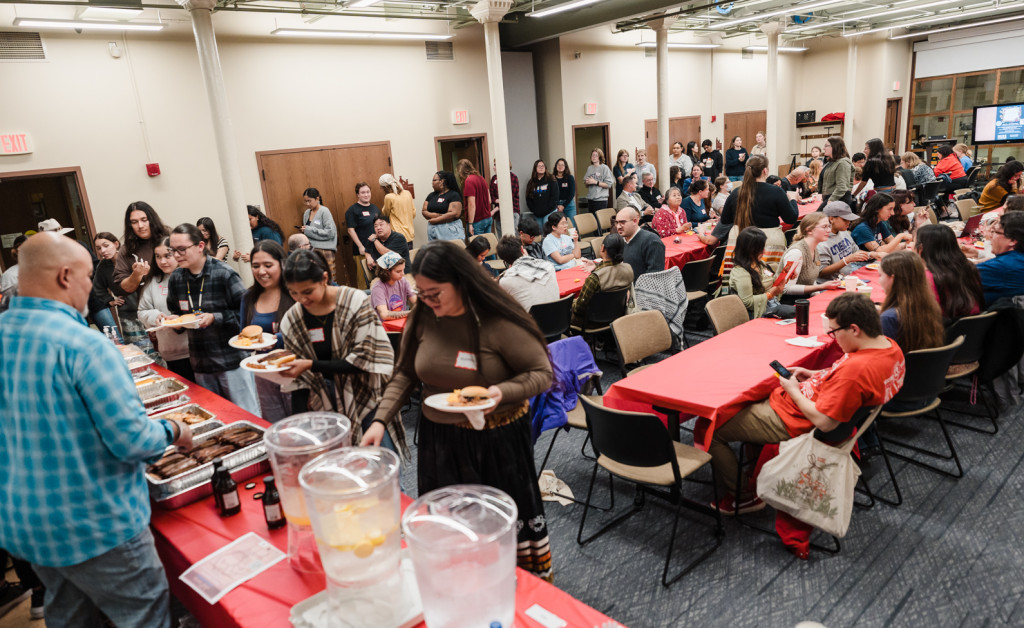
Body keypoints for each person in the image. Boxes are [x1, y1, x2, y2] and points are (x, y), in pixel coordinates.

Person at [0, 231, 193, 626]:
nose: (93, 288)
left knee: (71, 616)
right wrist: (173, 429)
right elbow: (132, 441)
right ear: (65, 276)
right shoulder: (84, 346)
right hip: (95, 525)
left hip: (26, 525)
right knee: (144, 615)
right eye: (89, 277)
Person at [361, 241, 554, 579]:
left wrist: (500, 391)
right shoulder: (423, 315)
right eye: (421, 292)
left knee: (503, 526)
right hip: (441, 439)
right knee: (449, 527)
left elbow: (542, 374)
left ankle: (517, 593)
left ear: (462, 283)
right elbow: (405, 373)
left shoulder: (496, 318)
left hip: (497, 438)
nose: (428, 301)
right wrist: (380, 421)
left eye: (435, 293)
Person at [708, 293, 905, 559]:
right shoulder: (889, 348)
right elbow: (845, 378)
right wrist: (817, 374)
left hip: (794, 419)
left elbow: (824, 421)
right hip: (807, 406)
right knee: (747, 393)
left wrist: (793, 389)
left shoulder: (856, 372)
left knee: (711, 427)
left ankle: (744, 496)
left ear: (855, 329)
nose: (833, 339)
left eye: (834, 332)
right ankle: (754, 469)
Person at [280, 249, 404, 453]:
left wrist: (311, 365)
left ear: (324, 278)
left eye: (308, 291)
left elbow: (365, 360)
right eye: (294, 293)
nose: (302, 299)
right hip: (326, 398)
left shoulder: (354, 301)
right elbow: (299, 384)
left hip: (367, 394)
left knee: (380, 461)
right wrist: (300, 430)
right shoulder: (293, 319)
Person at [166, 223, 261, 415]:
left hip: (230, 362)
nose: (176, 255)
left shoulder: (224, 273)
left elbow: (248, 314)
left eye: (182, 249)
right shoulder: (176, 278)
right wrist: (173, 322)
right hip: (201, 363)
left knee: (246, 416)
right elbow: (177, 312)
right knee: (217, 417)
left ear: (200, 246)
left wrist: (215, 318)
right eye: (172, 250)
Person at [239, 240, 295, 422]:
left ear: (282, 264)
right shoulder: (248, 297)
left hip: (294, 369)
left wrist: (274, 339)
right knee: (275, 425)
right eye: (255, 266)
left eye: (268, 265)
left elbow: (308, 331)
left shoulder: (296, 293)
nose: (261, 271)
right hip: (264, 373)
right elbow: (243, 335)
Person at [112, 202, 171, 358]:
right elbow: (122, 288)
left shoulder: (170, 238)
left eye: (144, 219)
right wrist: (136, 275)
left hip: (176, 309)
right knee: (161, 358)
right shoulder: (127, 250)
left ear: (152, 219)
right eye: (134, 222)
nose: (140, 225)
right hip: (148, 315)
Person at [721, 155, 798, 268]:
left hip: (740, 238)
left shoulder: (737, 192)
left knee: (741, 275)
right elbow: (791, 218)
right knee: (768, 278)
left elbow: (725, 219)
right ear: (765, 170)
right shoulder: (776, 191)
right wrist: (793, 200)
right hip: (768, 242)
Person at [138, 236, 193, 381]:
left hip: (196, 349)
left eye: (167, 256)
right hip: (170, 351)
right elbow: (142, 311)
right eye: (158, 256)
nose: (162, 261)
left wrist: (182, 319)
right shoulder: (154, 281)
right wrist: (155, 316)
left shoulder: (191, 276)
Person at [877, 251, 945, 353]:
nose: (879, 280)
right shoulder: (929, 304)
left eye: (880, 275)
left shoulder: (889, 318)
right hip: (927, 365)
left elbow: (881, 356)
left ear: (892, 279)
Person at [915, 224, 983, 319]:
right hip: (972, 327)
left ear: (921, 249)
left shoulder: (926, 278)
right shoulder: (969, 268)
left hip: (943, 329)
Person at [729, 227, 794, 319]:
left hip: (771, 305)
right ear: (749, 250)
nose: (764, 252)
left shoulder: (760, 264)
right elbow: (747, 303)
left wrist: (785, 277)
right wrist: (770, 294)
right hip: (757, 314)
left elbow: (773, 283)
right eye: (760, 249)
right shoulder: (741, 273)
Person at [961, 212, 1024, 305]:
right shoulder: (1016, 258)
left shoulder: (1001, 267)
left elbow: (956, 277)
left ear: (1012, 241)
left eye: (994, 232)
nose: (990, 236)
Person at [571, 232, 633, 327]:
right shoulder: (628, 269)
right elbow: (611, 271)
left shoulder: (595, 278)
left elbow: (579, 309)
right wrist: (596, 266)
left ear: (603, 248)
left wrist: (572, 302)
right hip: (617, 317)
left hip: (592, 321)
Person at [775, 213, 841, 299]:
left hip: (805, 298)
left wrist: (818, 297)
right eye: (824, 227)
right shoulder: (796, 253)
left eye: (829, 226)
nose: (829, 230)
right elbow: (785, 288)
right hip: (789, 302)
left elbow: (811, 279)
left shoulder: (814, 248)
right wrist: (821, 287)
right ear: (809, 230)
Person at [496, 235, 559, 312]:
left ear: (504, 260)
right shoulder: (549, 266)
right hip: (559, 318)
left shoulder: (506, 281)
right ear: (522, 249)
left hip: (531, 322)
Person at [817, 201, 876, 280]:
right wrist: (847, 260)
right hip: (829, 284)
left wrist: (874, 254)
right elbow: (820, 272)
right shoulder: (820, 241)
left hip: (848, 275)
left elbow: (856, 251)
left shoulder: (844, 231)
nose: (849, 222)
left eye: (850, 219)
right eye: (845, 219)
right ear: (831, 219)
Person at [89, 232, 126, 342]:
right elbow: (97, 287)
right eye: (99, 248)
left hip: (145, 308)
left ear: (116, 244)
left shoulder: (129, 259)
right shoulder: (103, 266)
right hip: (126, 312)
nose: (102, 251)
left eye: (106, 246)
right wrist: (110, 301)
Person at [345, 182, 383, 281]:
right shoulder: (352, 210)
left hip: (376, 249)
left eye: (368, 192)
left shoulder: (375, 208)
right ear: (358, 194)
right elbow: (350, 230)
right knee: (364, 280)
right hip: (361, 251)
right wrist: (360, 246)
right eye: (363, 192)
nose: (366, 195)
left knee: (379, 278)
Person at [300, 187, 338, 283]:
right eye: (305, 201)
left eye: (309, 201)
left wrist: (309, 230)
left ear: (317, 199)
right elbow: (308, 231)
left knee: (329, 278)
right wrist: (304, 231)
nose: (307, 204)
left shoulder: (324, 211)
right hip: (312, 251)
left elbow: (330, 232)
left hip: (325, 251)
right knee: (317, 280)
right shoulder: (306, 213)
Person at [616, 207, 665, 279]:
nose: (618, 227)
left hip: (641, 289)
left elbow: (654, 277)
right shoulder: (619, 241)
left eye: (622, 222)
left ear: (635, 221)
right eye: (617, 223)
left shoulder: (652, 241)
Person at [371, 251, 416, 321]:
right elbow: (384, 315)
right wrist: (411, 313)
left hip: (400, 322)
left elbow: (416, 300)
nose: (403, 274)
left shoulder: (403, 281)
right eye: (398, 271)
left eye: (403, 270)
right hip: (385, 328)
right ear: (387, 271)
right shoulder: (378, 288)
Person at [422, 171, 465, 241]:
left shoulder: (453, 195)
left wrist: (436, 220)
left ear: (442, 181)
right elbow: (424, 211)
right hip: (433, 230)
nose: (432, 182)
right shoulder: (431, 195)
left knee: (450, 251)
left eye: (434, 180)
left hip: (449, 229)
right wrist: (434, 215)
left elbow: (454, 213)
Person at [455, 161, 490, 238]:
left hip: (477, 221)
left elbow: (471, 205)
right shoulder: (481, 178)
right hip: (487, 219)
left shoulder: (469, 181)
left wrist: (470, 224)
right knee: (487, 246)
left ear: (460, 171)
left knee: (477, 248)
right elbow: (489, 200)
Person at [379, 173, 417, 242]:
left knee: (398, 253)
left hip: (397, 234)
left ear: (385, 187)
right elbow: (413, 213)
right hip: (410, 233)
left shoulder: (389, 197)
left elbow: (385, 213)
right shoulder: (407, 193)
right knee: (409, 252)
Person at [819, 136, 855, 205]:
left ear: (835, 147)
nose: (823, 148)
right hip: (831, 197)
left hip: (839, 199)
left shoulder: (843, 163)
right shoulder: (831, 162)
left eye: (826, 146)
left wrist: (832, 199)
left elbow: (842, 186)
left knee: (818, 215)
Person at [489, 160, 521, 235]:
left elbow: (509, 198)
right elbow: (491, 196)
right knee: (501, 239)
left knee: (513, 237)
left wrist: (495, 208)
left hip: (512, 212)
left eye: (495, 165)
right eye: (494, 165)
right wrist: (497, 201)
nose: (493, 167)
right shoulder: (494, 178)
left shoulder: (513, 178)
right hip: (498, 215)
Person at [525, 159, 559, 227]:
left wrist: (546, 209)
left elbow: (555, 196)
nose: (541, 167)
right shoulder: (531, 182)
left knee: (547, 232)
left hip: (550, 212)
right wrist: (534, 210)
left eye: (543, 166)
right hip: (537, 213)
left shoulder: (551, 179)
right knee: (539, 234)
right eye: (539, 166)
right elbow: (528, 198)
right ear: (535, 168)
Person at [553, 158, 577, 227]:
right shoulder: (552, 178)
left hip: (569, 205)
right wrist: (558, 205)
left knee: (572, 226)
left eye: (562, 165)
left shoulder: (570, 178)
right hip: (556, 206)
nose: (560, 166)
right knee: (558, 226)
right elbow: (552, 194)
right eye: (559, 165)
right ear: (556, 166)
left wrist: (563, 205)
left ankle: (573, 238)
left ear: (565, 167)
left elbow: (572, 193)